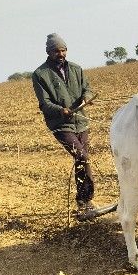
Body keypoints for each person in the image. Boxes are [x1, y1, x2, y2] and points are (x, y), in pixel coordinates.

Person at [32, 33, 97, 213]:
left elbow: (88, 88)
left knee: (81, 160)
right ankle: (87, 200)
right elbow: (44, 103)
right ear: (48, 52)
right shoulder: (40, 74)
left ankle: (83, 201)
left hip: (80, 121)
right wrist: (60, 110)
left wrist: (87, 97)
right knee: (83, 157)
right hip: (61, 124)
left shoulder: (76, 68)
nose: (60, 54)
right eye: (56, 51)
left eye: (63, 50)